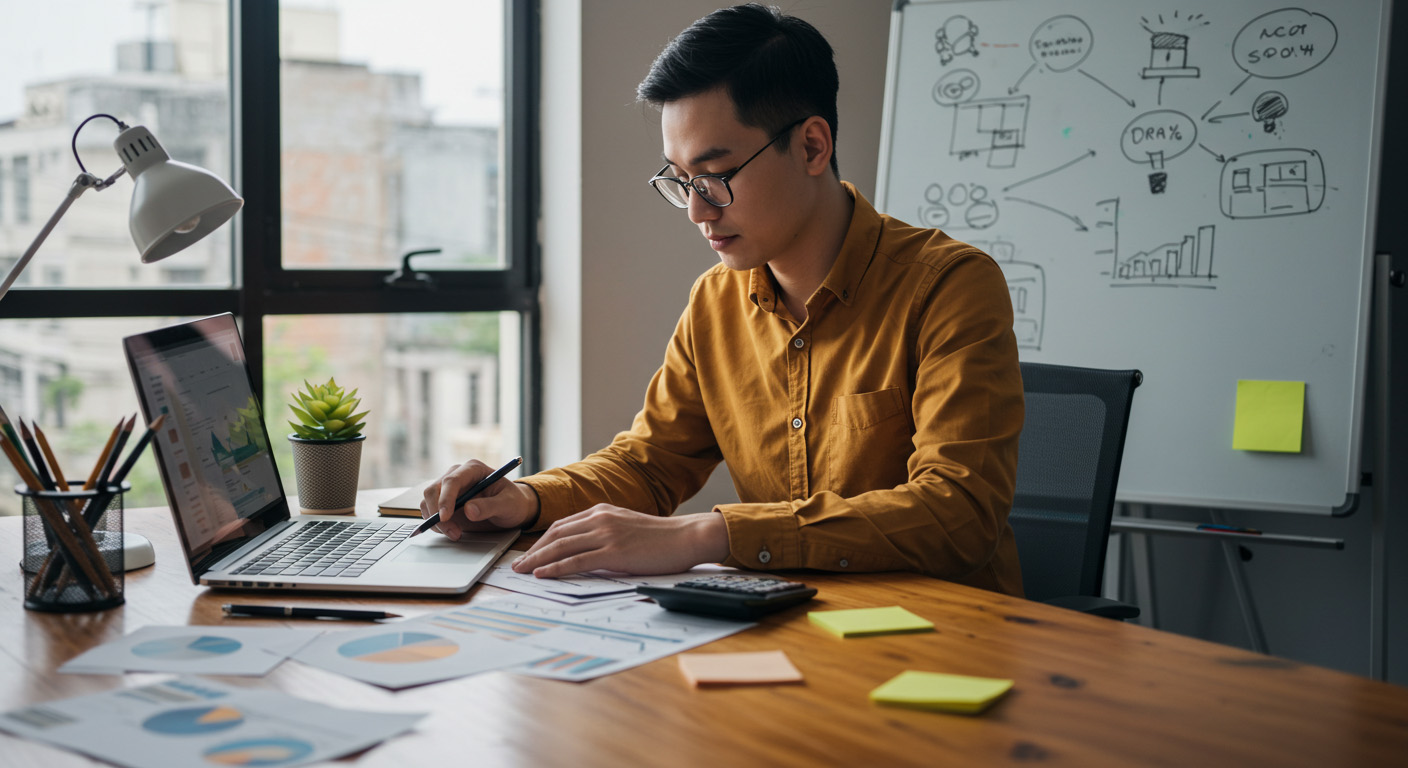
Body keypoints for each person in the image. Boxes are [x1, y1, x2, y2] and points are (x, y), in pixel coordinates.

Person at [422, 3, 1025, 596]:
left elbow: (959, 514)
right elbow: (651, 463)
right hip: (792, 621)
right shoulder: (716, 300)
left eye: (716, 175)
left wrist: (707, 535)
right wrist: (528, 498)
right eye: (681, 180)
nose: (696, 210)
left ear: (813, 147)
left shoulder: (950, 285)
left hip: (944, 635)